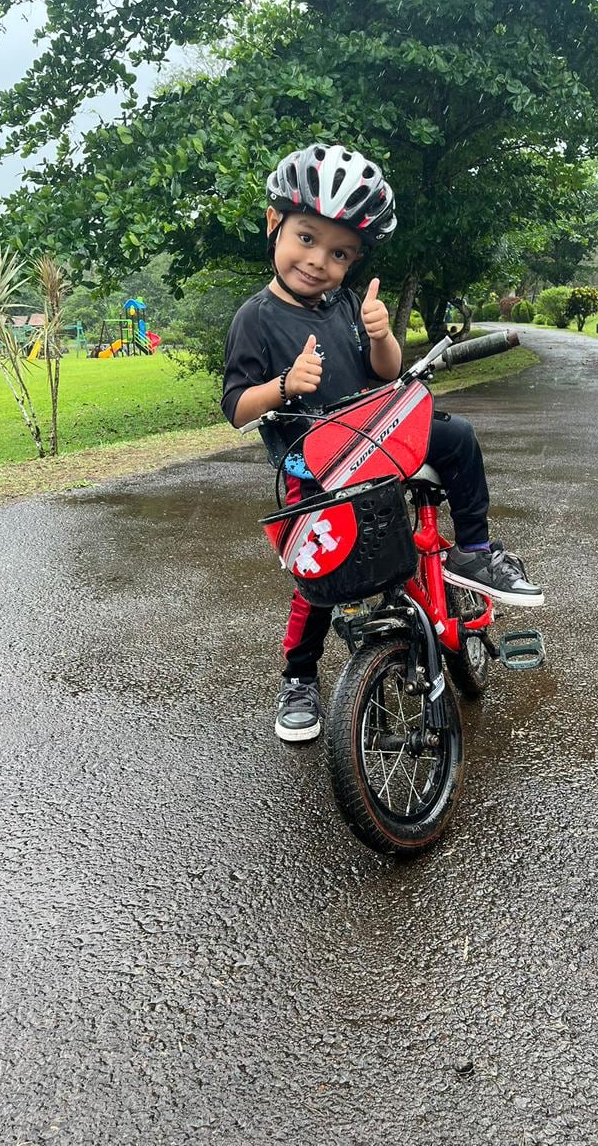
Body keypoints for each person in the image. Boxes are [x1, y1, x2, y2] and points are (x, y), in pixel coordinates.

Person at [222, 143, 543, 743]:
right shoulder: (256, 318)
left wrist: (381, 335)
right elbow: (237, 409)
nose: (319, 261)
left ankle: (472, 549)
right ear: (275, 224)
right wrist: (283, 386)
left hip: (373, 438)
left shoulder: (347, 305)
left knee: (456, 437)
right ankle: (299, 679)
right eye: (307, 238)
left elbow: (387, 374)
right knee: (322, 578)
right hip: (313, 463)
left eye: (339, 253)